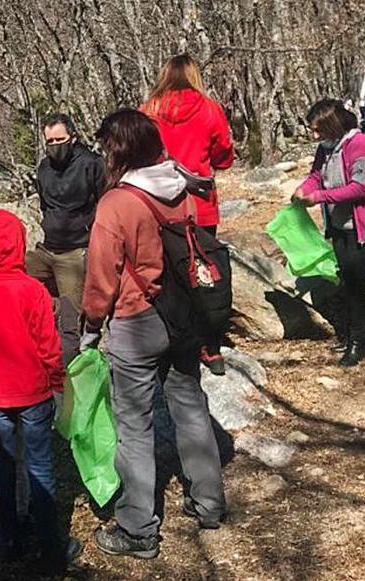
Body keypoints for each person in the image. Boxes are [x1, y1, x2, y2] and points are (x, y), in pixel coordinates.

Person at [82, 109, 228, 558]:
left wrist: (90, 325)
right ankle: (208, 502)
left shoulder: (117, 203)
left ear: (119, 149)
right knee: (189, 407)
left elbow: (101, 278)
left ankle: (138, 527)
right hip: (182, 316)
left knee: (134, 425)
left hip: (136, 321)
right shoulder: (180, 188)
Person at [0, 209, 81, 573]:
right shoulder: (33, 291)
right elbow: (48, 345)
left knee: (4, 466)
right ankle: (49, 546)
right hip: (35, 392)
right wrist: (56, 381)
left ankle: (9, 538)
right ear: (19, 245)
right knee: (41, 467)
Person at [140, 54, 235, 375]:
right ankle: (211, 346)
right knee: (206, 273)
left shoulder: (149, 110)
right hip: (200, 206)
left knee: (167, 275)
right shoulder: (209, 109)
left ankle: (174, 343)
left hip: (159, 206)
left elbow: (138, 151)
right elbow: (224, 156)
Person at [294, 99, 365, 367]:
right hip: (340, 224)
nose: (315, 136)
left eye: (319, 129)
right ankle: (355, 333)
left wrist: (320, 197)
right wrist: (303, 189)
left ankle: (357, 339)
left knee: (354, 280)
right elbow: (316, 175)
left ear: (333, 125)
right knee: (347, 280)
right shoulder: (326, 148)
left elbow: (360, 187)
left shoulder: (361, 145)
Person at [29, 113, 105, 360]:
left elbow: (105, 203)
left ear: (72, 137)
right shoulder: (44, 168)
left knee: (71, 317)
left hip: (76, 250)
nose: (54, 146)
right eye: (49, 142)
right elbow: (44, 204)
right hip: (47, 247)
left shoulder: (92, 164)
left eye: (59, 140)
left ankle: (68, 366)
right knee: (15, 276)